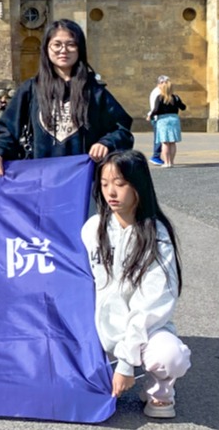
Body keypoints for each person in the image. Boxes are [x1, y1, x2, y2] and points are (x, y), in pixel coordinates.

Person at [83, 149, 190, 419]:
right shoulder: (92, 228)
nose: (111, 193)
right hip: (95, 327)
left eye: (120, 184)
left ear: (138, 185)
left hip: (143, 331)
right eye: (105, 184)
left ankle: (159, 391)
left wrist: (127, 362)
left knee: (170, 357)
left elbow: (153, 303)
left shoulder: (156, 234)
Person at [0, 19, 134, 178]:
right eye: (57, 44)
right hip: (40, 178)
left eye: (71, 44)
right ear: (46, 48)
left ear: (80, 49)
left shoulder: (94, 91)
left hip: (82, 181)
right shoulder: (30, 89)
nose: (63, 50)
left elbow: (123, 129)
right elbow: (8, 128)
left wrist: (106, 143)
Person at [149, 78, 186, 168]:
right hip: (174, 119)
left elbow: (156, 110)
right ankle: (172, 162)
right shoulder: (176, 97)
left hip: (163, 120)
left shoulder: (160, 97)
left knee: (165, 142)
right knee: (172, 142)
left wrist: (150, 116)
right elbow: (183, 107)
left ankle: (167, 162)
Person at [147, 75, 169, 166]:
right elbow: (156, 107)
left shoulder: (159, 92)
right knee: (159, 138)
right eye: (166, 83)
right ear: (160, 83)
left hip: (157, 117)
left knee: (159, 137)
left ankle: (156, 156)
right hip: (157, 118)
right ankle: (155, 156)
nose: (168, 84)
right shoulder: (158, 92)